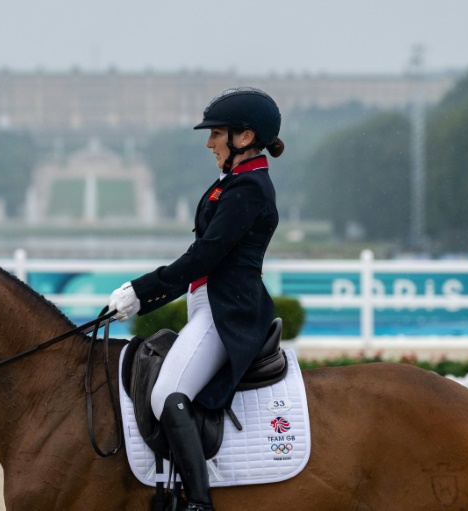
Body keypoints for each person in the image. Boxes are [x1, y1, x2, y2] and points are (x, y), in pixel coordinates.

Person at [108, 86, 283, 511]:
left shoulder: (249, 189)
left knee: (167, 393)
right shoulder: (235, 181)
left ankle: (200, 504)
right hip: (210, 304)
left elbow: (205, 255)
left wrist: (142, 291)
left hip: (228, 313)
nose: (209, 143)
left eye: (216, 134)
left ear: (244, 138)